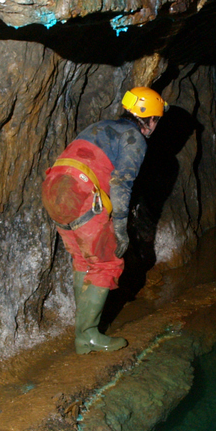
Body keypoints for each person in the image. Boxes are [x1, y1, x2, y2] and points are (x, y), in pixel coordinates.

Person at [41, 87, 165, 354]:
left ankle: (83, 331)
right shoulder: (134, 138)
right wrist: (120, 227)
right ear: (151, 119)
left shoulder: (100, 126)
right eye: (157, 119)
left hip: (53, 188)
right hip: (81, 192)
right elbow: (121, 183)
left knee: (84, 260)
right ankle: (87, 336)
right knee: (108, 263)